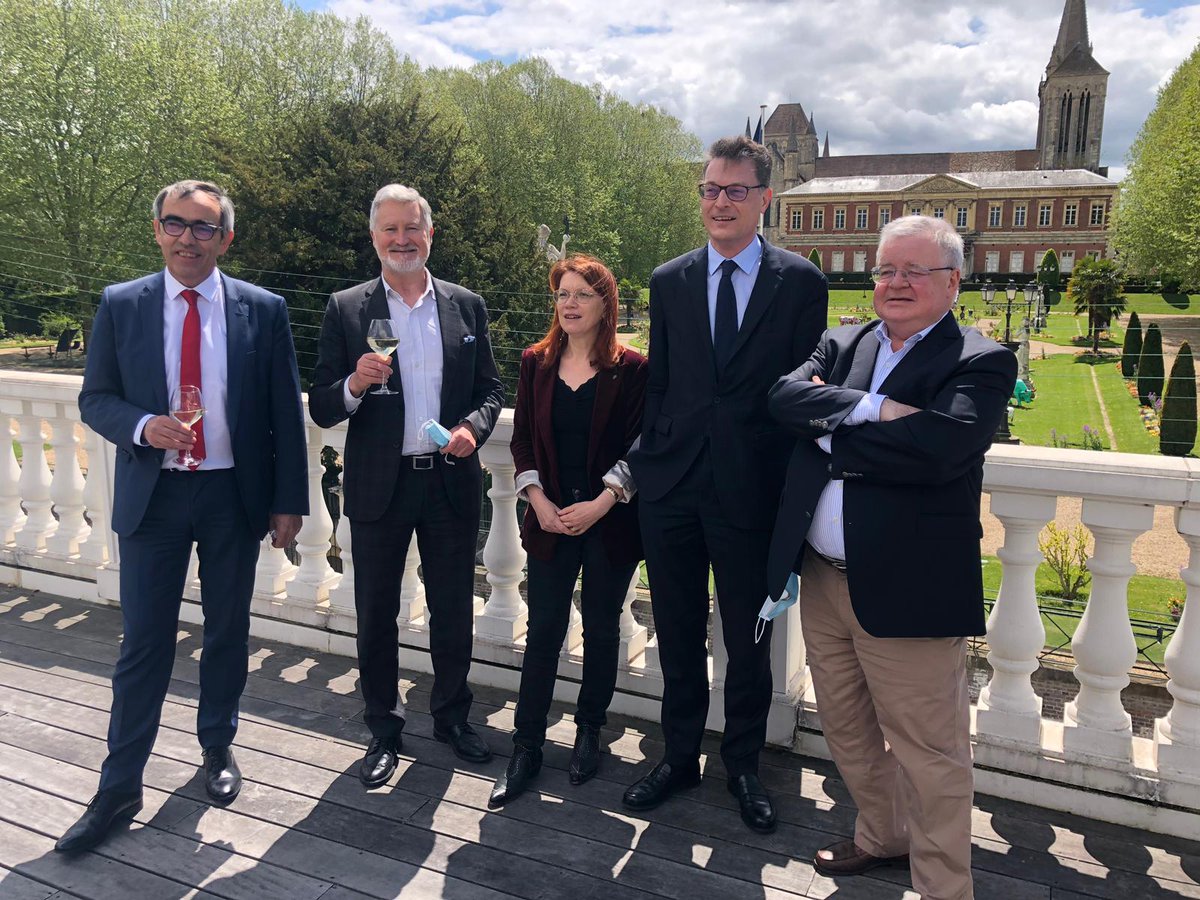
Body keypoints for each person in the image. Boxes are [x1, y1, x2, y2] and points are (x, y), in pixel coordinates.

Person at [764, 215, 1016, 899]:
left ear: (953, 282)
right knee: (845, 729)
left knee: (930, 754)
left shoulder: (979, 359)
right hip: (821, 580)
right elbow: (783, 400)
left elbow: (942, 449)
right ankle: (882, 835)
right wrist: (878, 411)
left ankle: (942, 888)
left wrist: (832, 435)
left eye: (914, 270)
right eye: (886, 269)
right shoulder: (843, 342)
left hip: (909, 589)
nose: (895, 283)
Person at [60, 180, 309, 853]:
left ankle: (217, 747)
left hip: (233, 497)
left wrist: (291, 502)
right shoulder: (122, 304)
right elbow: (96, 400)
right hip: (156, 498)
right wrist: (143, 425)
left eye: (203, 227)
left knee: (229, 630)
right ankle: (119, 787)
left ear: (225, 238)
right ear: (157, 230)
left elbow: (285, 412)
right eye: (175, 223)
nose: (187, 238)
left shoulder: (264, 309)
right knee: (144, 643)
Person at [623, 136, 827, 833]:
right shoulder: (670, 279)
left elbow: (805, 399)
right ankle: (678, 757)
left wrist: (790, 501)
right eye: (710, 188)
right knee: (675, 632)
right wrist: (649, 472)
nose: (718, 202)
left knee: (748, 643)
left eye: (734, 190)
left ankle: (741, 765)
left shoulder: (800, 283)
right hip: (673, 492)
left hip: (752, 495)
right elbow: (664, 387)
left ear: (764, 198)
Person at [309, 184, 504, 786]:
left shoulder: (466, 306)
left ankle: (451, 718)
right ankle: (383, 730)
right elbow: (321, 408)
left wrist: (473, 428)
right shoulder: (347, 309)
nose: (402, 240)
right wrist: (355, 384)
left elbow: (492, 392)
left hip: (447, 481)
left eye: (412, 229)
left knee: (452, 610)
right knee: (376, 614)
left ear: (429, 234)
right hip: (376, 485)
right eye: (390, 230)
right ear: (374, 237)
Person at [489, 255, 648, 807]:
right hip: (550, 521)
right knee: (545, 632)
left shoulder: (632, 368)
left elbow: (640, 445)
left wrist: (604, 501)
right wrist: (537, 497)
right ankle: (526, 744)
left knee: (603, 630)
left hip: (610, 523)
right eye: (562, 295)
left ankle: (588, 733)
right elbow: (523, 440)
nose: (571, 304)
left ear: (607, 303)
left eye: (583, 293)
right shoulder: (537, 362)